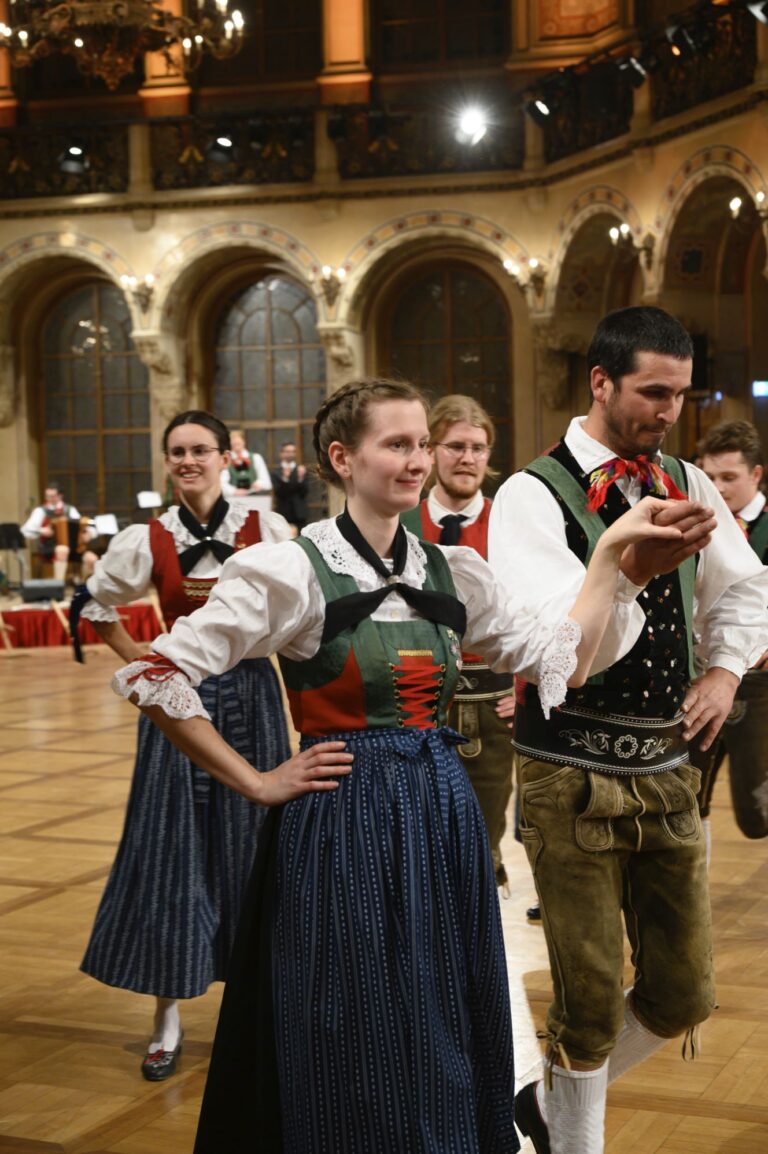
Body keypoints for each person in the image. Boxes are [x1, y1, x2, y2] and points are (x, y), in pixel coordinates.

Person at [109, 377, 693, 1153]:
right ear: (342, 458)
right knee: (351, 1010)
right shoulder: (292, 570)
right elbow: (154, 673)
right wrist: (256, 780)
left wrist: (616, 563)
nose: (418, 460)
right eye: (397, 444)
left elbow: (564, 660)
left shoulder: (452, 570)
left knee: (440, 1002)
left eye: (422, 443)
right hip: (341, 816)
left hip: (441, 809)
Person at [488, 307, 768, 1154]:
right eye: (652, 392)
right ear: (600, 382)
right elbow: (562, 654)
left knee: (682, 995)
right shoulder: (531, 494)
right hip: (566, 771)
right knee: (589, 1000)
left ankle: (548, 1109)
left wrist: (725, 671)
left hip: (666, 768)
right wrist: (623, 570)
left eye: (681, 395)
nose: (669, 412)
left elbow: (748, 587)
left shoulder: (685, 479)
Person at [78, 411, 292, 1081]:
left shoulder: (268, 530)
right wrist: (143, 661)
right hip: (174, 701)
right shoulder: (148, 538)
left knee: (253, 846)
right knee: (172, 847)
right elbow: (94, 604)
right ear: (167, 461)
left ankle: (257, 1012)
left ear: (227, 456)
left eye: (201, 449)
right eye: (177, 451)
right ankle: (166, 1016)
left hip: (251, 695)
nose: (188, 460)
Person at [400, 393, 517, 889]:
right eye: (455, 446)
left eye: (478, 448)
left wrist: (528, 683)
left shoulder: (509, 523)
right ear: (430, 451)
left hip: (491, 700)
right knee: (414, 842)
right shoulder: (402, 519)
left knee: (481, 843)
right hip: (414, 699)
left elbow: (536, 608)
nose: (468, 458)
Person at [695, 419, 768, 839]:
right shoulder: (699, 520)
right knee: (690, 798)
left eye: (728, 477)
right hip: (703, 675)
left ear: (756, 473)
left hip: (759, 684)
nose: (717, 488)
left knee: (758, 812)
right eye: (709, 477)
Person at [21, 482, 97, 582]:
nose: (49, 499)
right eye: (47, 496)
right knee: (62, 550)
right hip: (49, 547)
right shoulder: (41, 511)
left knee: (92, 559)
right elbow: (25, 530)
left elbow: (83, 525)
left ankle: (84, 586)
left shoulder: (70, 510)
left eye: (52, 496)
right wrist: (42, 530)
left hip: (74, 548)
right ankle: (59, 585)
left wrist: (89, 534)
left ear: (60, 496)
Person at [270, 440, 309, 531]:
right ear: (281, 454)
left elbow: (305, 492)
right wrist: (285, 479)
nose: (290, 454)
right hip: (283, 512)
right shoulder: (276, 472)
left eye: (293, 452)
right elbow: (278, 492)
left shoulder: (301, 470)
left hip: (299, 513)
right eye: (287, 452)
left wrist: (300, 478)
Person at [226, 428, 272, 496]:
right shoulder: (226, 460)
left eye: (238, 442)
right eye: (233, 442)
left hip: (254, 497)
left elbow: (267, 482)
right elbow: (222, 483)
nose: (235, 443)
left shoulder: (256, 458)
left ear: (244, 442)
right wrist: (234, 491)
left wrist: (259, 484)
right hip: (233, 498)